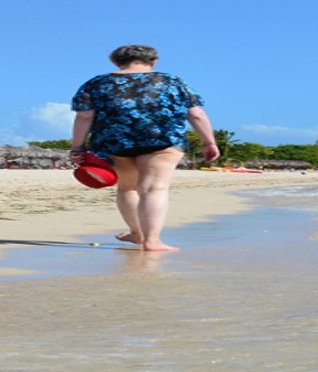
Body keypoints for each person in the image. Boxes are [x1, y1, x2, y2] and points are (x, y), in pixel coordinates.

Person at [69, 45, 218, 252]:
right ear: (153, 61)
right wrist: (209, 142)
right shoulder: (172, 81)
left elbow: (84, 116)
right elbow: (196, 114)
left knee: (127, 187)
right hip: (163, 141)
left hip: (115, 142)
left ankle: (137, 233)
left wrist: (78, 146)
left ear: (116, 62)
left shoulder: (96, 83)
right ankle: (153, 240)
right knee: (154, 188)